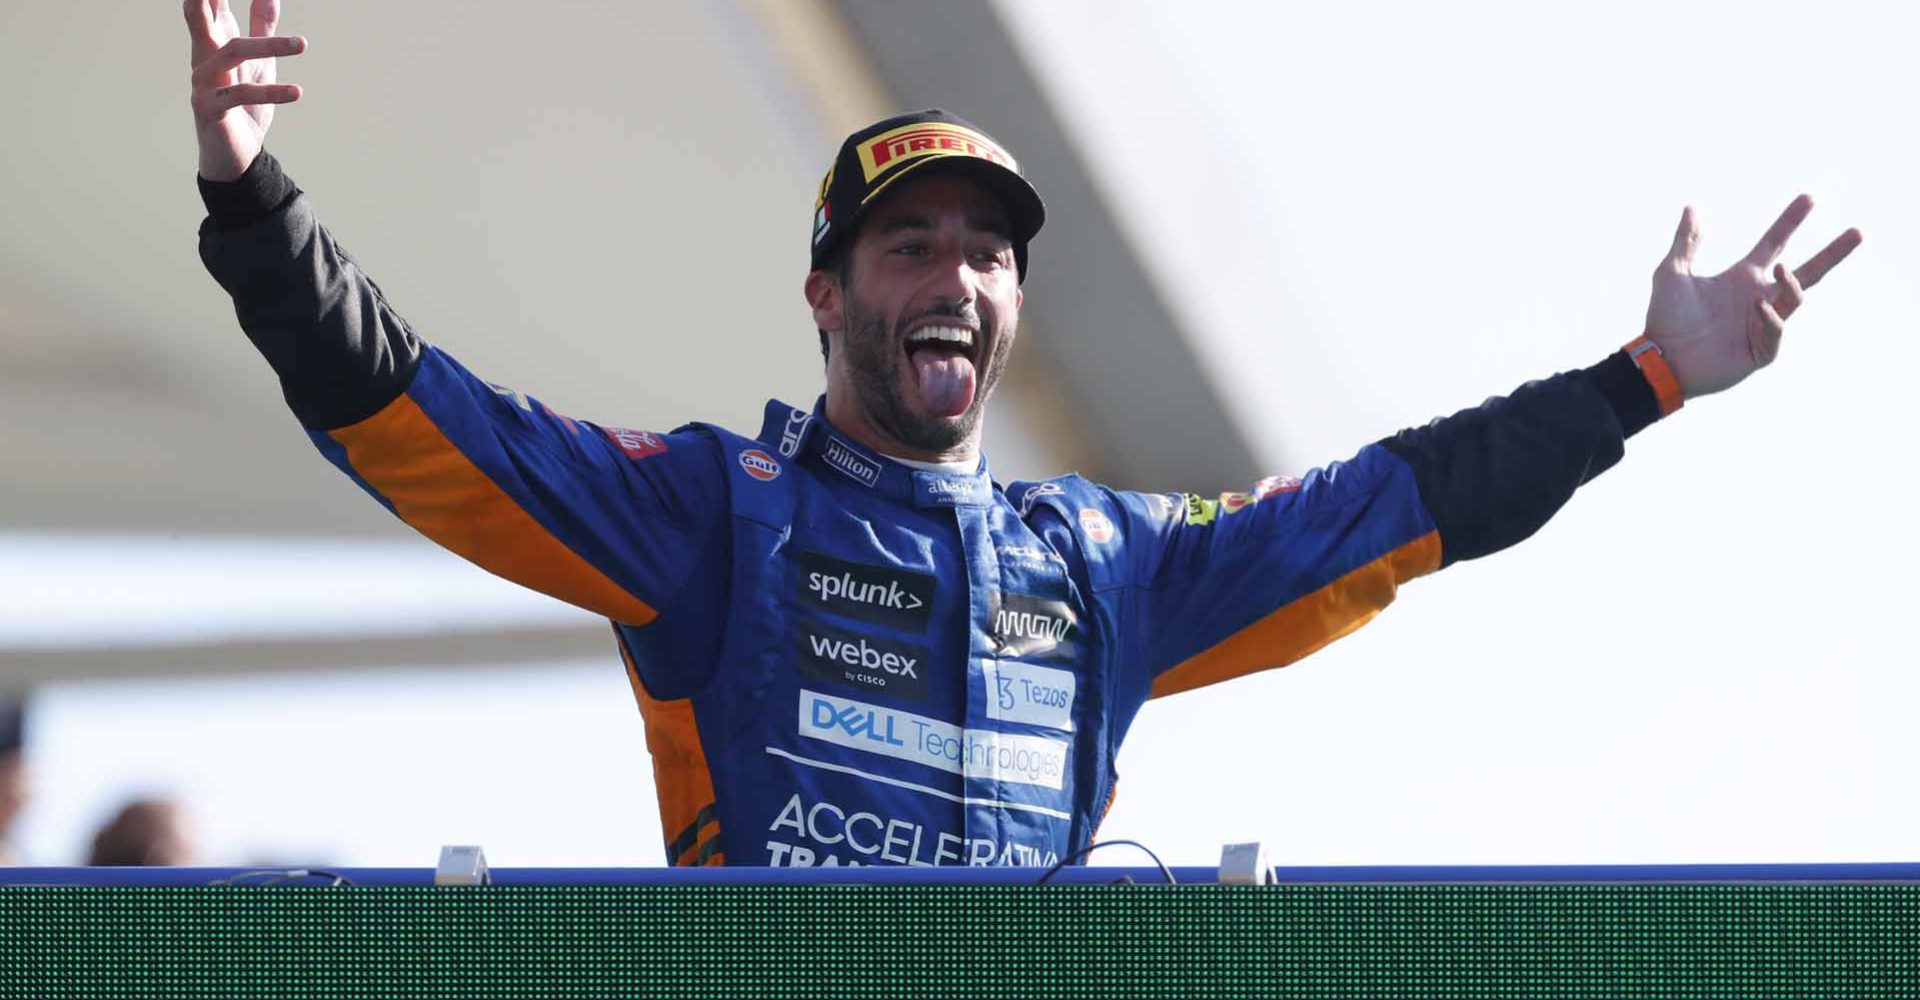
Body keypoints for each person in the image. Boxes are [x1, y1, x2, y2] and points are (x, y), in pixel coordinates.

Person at [185, 0, 1861, 868]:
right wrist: (253, 202)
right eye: (911, 246)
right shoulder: (712, 513)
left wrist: (1639, 377)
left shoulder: (1109, 564)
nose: (958, 279)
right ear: (827, 297)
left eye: (989, 253)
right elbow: (416, 420)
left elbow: (1395, 510)